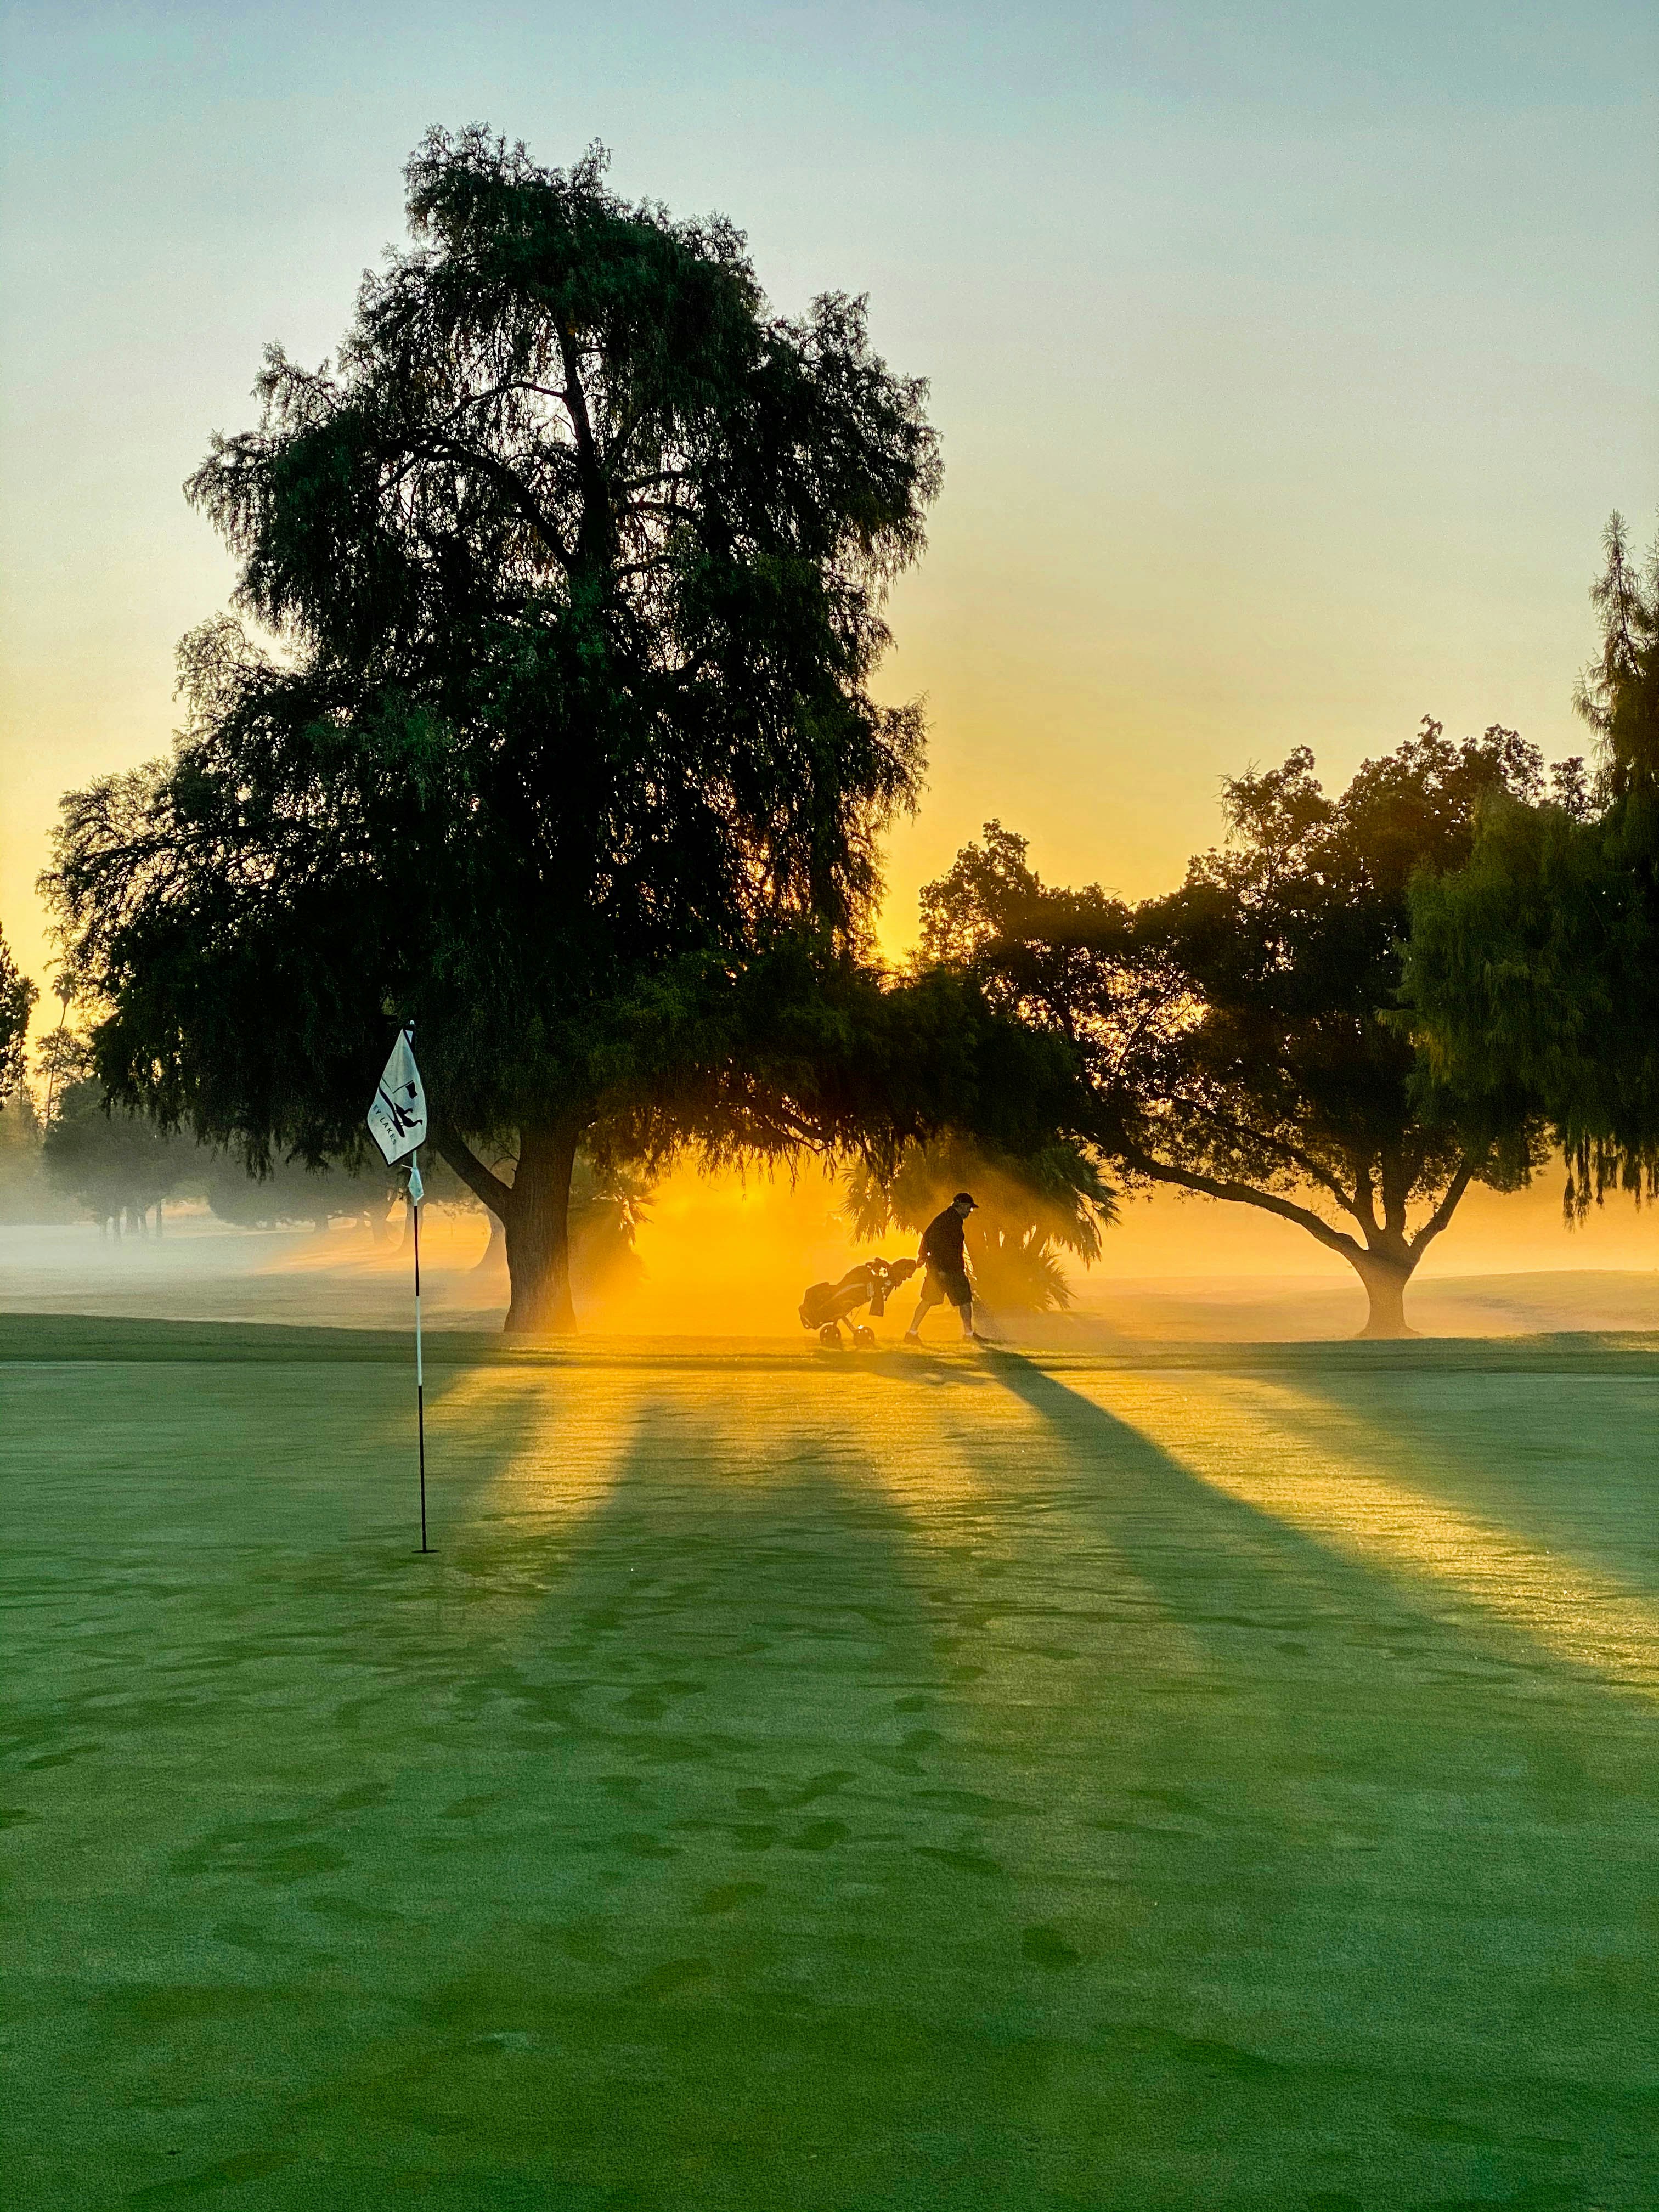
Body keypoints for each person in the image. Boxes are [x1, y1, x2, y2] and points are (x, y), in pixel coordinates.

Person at [903, 1191, 984, 1343]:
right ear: (961, 1205)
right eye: (969, 1208)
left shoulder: (950, 1219)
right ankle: (968, 1335)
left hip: (946, 1269)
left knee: (939, 1300)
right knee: (960, 1299)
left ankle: (912, 1333)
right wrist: (935, 1266)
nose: (970, 1211)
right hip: (946, 1270)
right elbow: (935, 1242)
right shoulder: (949, 1220)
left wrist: (923, 1256)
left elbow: (927, 1237)